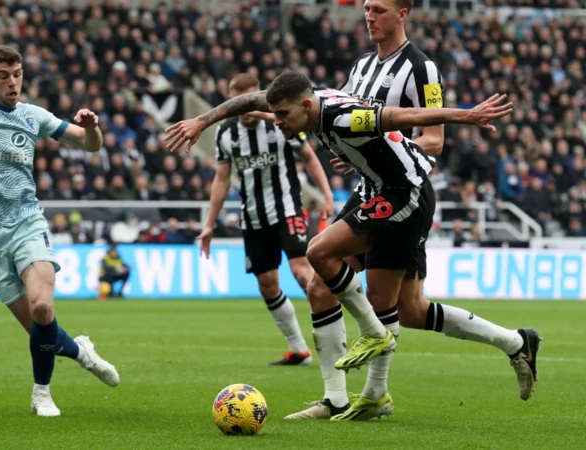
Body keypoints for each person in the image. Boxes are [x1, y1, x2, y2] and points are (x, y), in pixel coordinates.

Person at [163, 71, 526, 421]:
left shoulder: (345, 118)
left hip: (405, 194)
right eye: (274, 114)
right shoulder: (306, 105)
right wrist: (200, 122)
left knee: (320, 252)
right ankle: (338, 399)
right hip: (375, 189)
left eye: (282, 115)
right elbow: (247, 100)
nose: (276, 122)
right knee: (361, 297)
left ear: (306, 106)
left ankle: (373, 334)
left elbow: (404, 115)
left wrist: (466, 115)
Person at [320, 0, 541, 420]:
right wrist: (356, 156)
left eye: (379, 9)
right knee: (406, 309)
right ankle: (517, 342)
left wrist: (383, 151)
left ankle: (367, 397)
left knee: (396, 304)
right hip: (368, 189)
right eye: (366, 8)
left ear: (403, 13)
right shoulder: (360, 67)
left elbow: (435, 140)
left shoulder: (423, 69)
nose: (369, 16)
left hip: (404, 193)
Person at [0, 45, 119, 417]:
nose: (13, 82)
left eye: (17, 74)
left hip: (26, 221)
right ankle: (82, 352)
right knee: (42, 330)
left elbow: (89, 145)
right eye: (4, 75)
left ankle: (42, 393)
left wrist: (92, 130)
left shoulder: (33, 115)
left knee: (43, 306)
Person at [198, 73, 339, 368]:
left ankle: (335, 339)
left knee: (302, 272)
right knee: (267, 284)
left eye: (252, 99)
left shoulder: (280, 124)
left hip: (287, 210)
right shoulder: (227, 134)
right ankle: (298, 349)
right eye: (240, 101)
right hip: (252, 218)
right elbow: (222, 179)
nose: (248, 107)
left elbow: (310, 158)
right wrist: (209, 223)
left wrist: (327, 195)